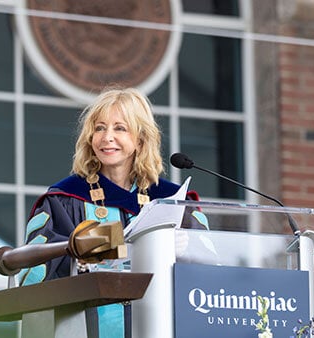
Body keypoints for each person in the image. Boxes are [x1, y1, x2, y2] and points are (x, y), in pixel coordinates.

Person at [18, 87, 207, 338]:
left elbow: (209, 275)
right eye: (99, 128)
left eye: (120, 128)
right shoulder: (63, 200)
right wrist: (93, 250)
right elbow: (33, 274)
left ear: (140, 139)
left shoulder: (174, 202)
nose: (107, 137)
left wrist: (186, 252)